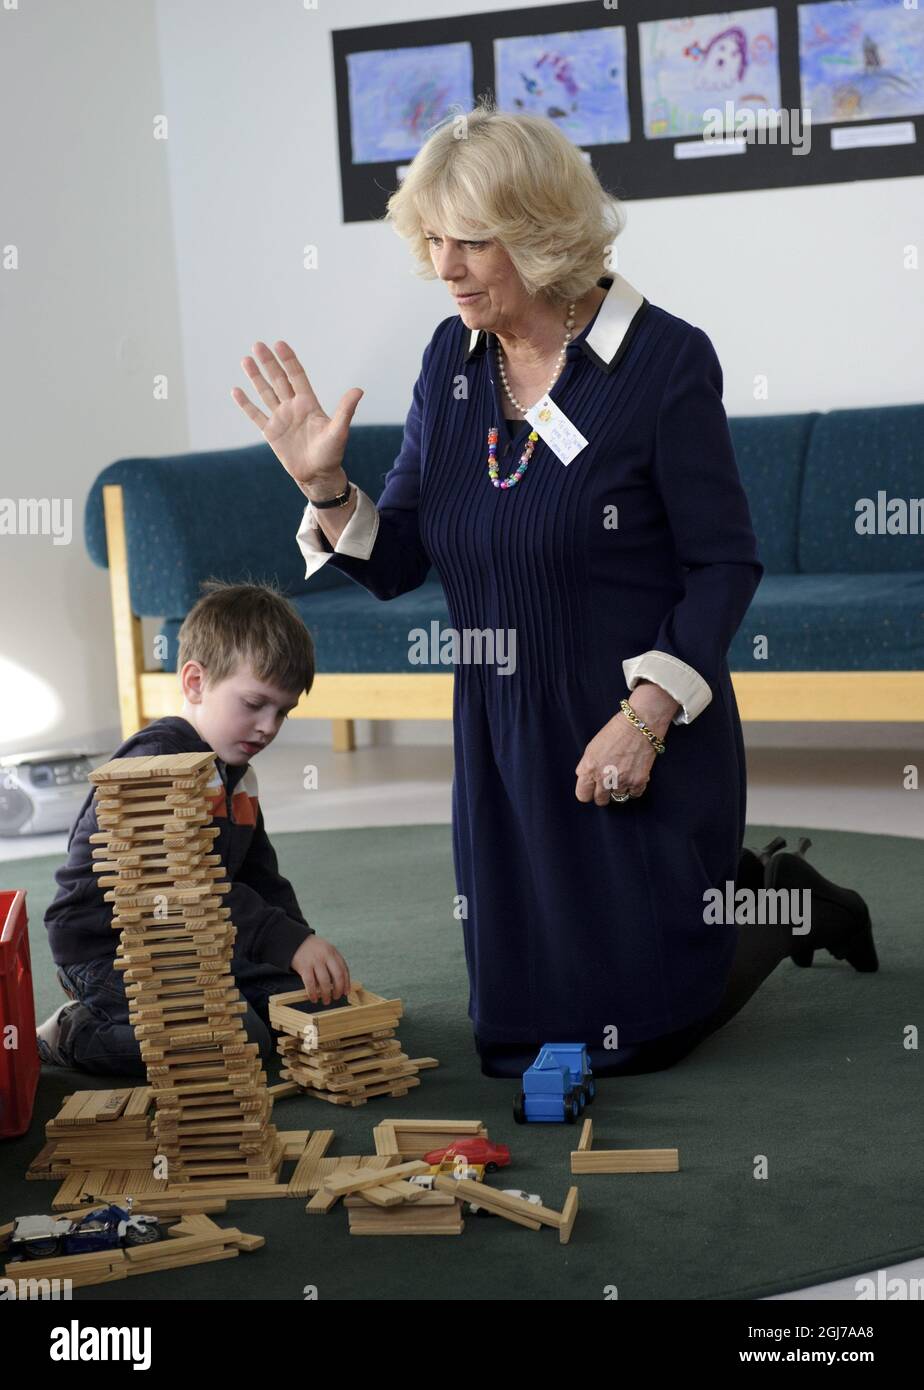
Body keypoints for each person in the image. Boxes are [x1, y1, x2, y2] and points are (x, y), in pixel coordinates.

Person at [231, 104, 876, 1080]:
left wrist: (648, 718)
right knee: (519, 1045)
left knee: (643, 1034)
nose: (445, 267)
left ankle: (785, 897)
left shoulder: (659, 360)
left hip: (636, 722)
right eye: (433, 239)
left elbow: (723, 564)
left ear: (541, 233)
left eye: (473, 241)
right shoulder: (450, 360)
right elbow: (399, 556)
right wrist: (324, 487)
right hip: (504, 737)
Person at [37, 581, 351, 1076]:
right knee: (232, 1041)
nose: (269, 726)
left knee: (307, 1008)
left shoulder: (238, 775)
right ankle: (75, 1032)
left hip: (195, 938)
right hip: (110, 950)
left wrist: (297, 946)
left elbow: (260, 879)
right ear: (195, 683)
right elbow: (186, 888)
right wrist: (283, 942)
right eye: (254, 704)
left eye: (283, 712)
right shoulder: (155, 765)